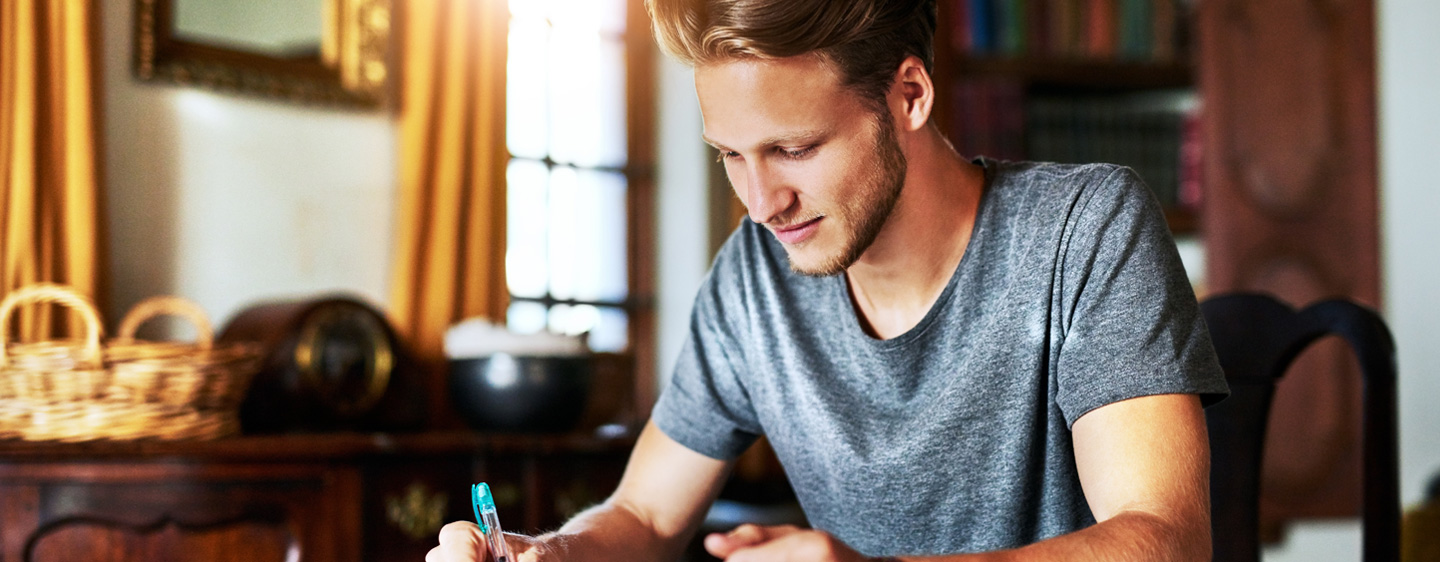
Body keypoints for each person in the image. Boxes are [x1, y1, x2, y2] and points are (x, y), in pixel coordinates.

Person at [430, 0, 1229, 560]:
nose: (761, 202)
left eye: (796, 148)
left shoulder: (1083, 228)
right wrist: (547, 554)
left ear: (908, 94)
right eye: (731, 155)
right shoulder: (753, 277)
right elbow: (644, 513)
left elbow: (1164, 539)